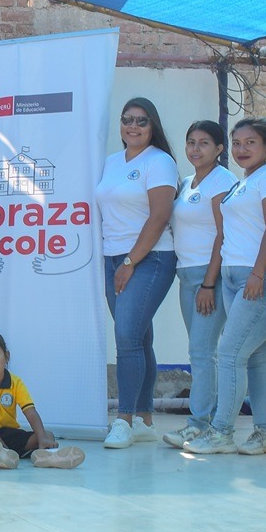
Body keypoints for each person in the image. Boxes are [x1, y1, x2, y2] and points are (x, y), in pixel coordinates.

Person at [184, 118, 266, 457]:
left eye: (251, 143)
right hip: (234, 276)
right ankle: (265, 433)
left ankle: (221, 432)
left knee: (229, 353)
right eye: (238, 143)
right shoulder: (247, 181)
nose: (242, 150)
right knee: (256, 357)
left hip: (262, 276)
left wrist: (258, 273)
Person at [95, 97, 177, 449]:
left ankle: (124, 420)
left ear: (153, 125)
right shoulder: (112, 162)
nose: (133, 126)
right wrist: (117, 261)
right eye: (127, 119)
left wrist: (130, 262)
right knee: (140, 338)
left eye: (142, 121)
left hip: (150, 258)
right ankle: (144, 419)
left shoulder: (160, 162)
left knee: (127, 335)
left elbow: (159, 217)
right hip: (111, 257)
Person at [162, 121, 235, 449]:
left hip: (210, 277)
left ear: (219, 149)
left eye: (204, 143)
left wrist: (209, 283)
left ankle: (200, 424)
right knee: (200, 352)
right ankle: (205, 420)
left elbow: (223, 234)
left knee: (203, 352)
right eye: (191, 142)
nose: (195, 149)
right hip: (186, 275)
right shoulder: (188, 182)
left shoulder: (222, 181)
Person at [0, 327, 86, 469]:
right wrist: (3, 447)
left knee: (47, 435)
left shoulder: (15, 382)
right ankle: (2, 455)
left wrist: (42, 438)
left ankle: (46, 456)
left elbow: (30, 412)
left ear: (6, 356)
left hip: (10, 432)